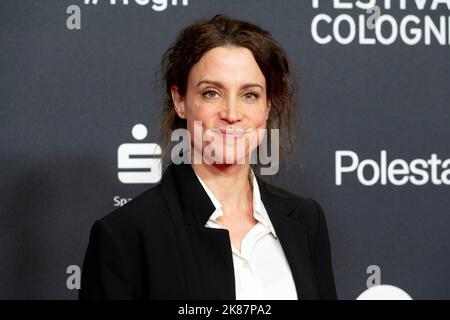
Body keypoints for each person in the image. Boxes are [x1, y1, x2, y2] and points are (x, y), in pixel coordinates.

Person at [79, 14, 337, 300]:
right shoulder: (125, 235)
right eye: (211, 93)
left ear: (267, 106)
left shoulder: (305, 220)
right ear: (180, 101)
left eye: (249, 95)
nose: (231, 113)